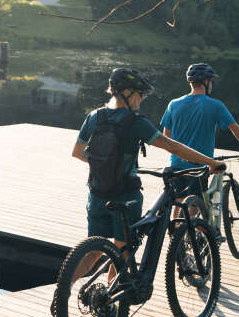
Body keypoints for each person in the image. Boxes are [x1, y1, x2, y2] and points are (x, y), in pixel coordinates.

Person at [71, 68, 224, 267]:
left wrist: (105, 164)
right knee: (124, 250)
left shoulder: (94, 117)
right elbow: (172, 145)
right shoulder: (136, 123)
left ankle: (62, 293)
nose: (142, 98)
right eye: (140, 93)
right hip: (126, 196)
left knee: (92, 252)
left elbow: (78, 152)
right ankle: (114, 294)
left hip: (97, 194)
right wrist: (211, 162)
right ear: (127, 93)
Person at [160, 62, 239, 231]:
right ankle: (185, 234)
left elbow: (166, 138)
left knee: (179, 199)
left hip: (176, 165)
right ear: (206, 82)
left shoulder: (173, 104)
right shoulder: (215, 105)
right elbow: (236, 130)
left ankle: (176, 232)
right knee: (196, 202)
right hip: (200, 165)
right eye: (211, 81)